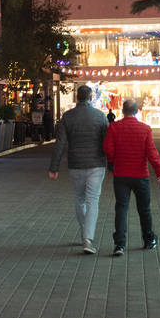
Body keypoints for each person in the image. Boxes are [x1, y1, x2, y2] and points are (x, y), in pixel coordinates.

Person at [48, 85, 109, 255]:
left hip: (75, 164)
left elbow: (59, 143)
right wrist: (112, 164)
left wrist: (54, 167)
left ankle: (85, 234)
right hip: (96, 163)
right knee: (92, 200)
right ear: (91, 98)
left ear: (77, 97)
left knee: (79, 199)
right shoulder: (100, 116)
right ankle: (88, 239)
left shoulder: (67, 117)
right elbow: (108, 142)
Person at [103, 98, 160, 257]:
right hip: (140, 176)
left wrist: (112, 163)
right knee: (144, 209)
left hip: (121, 175)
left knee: (121, 209)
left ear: (122, 111)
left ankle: (119, 244)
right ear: (137, 111)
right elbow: (152, 153)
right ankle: (148, 239)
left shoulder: (114, 127)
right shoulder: (145, 129)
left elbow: (108, 149)